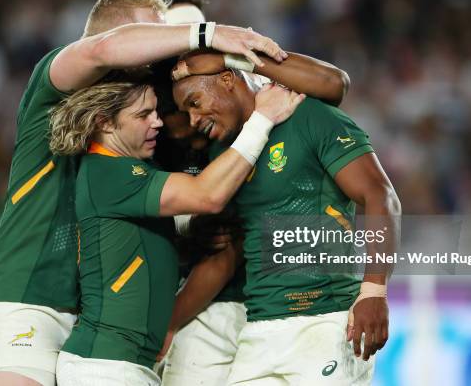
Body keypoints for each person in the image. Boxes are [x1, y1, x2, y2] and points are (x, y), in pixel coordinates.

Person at [0, 0, 288, 386]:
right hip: (28, 297)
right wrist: (208, 33)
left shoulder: (139, 119)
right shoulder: (54, 88)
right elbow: (101, 50)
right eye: (151, 37)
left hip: (92, 318)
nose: (160, 53)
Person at [48, 70, 305, 385]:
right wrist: (263, 118)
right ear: (105, 122)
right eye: (143, 115)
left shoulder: (123, 169)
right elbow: (207, 195)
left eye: (156, 111)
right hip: (105, 367)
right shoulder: (108, 170)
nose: (157, 122)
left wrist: (186, 234)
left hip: (122, 365)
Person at [172, 51, 401, 385]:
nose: (193, 119)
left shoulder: (310, 116)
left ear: (227, 79)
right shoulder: (225, 155)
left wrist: (374, 291)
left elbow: (381, 197)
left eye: (195, 102)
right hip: (260, 328)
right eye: (186, 112)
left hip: (326, 322)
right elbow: (230, 249)